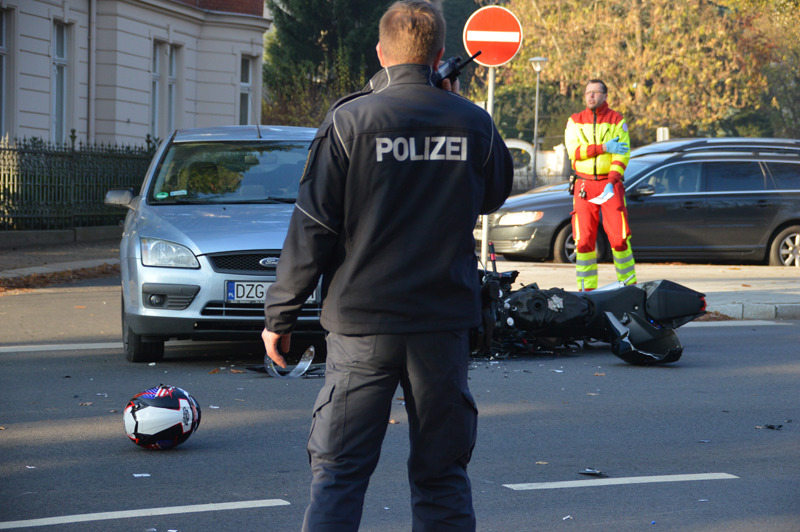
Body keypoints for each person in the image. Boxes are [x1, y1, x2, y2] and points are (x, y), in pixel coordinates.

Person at [261, 1, 513, 530]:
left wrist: (279, 317)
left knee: (339, 474)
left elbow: (313, 228)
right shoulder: (474, 123)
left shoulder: (349, 120)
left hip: (361, 325)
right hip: (441, 325)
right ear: (440, 55)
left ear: (381, 52)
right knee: (442, 476)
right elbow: (493, 196)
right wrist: (456, 110)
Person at [564, 79, 636, 291]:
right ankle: (586, 291)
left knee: (620, 238)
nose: (591, 96)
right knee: (584, 240)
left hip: (610, 185)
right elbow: (574, 153)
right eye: (588, 93)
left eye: (596, 92)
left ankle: (629, 288)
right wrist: (604, 146)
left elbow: (621, 155)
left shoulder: (616, 120)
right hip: (584, 185)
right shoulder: (574, 121)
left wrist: (612, 181)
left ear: (605, 96)